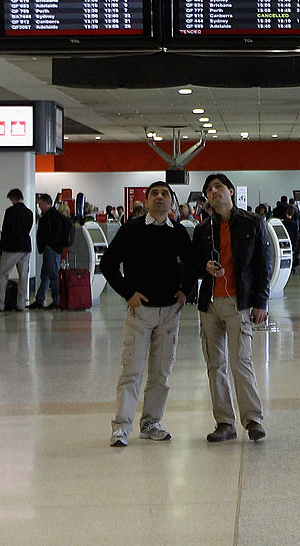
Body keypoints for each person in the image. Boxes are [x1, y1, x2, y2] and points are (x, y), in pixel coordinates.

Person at [100, 181, 196, 447]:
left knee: (161, 372)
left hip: (169, 313)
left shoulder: (177, 231)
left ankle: (151, 422)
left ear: (172, 202)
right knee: (132, 370)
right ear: (146, 199)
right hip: (140, 312)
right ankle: (121, 426)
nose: (160, 198)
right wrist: (127, 292)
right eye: (154, 193)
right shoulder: (131, 230)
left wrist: (185, 291)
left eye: (165, 194)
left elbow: (192, 264)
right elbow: (107, 263)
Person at [193, 173, 273, 443]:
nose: (213, 192)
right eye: (209, 189)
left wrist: (261, 302)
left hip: (239, 302)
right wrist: (204, 267)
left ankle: (253, 419)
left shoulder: (253, 223)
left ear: (230, 190)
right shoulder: (203, 229)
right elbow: (193, 264)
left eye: (218, 187)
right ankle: (224, 422)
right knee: (215, 365)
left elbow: (264, 264)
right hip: (210, 304)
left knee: (241, 362)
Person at [0, 188, 33, 312]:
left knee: (1, 275)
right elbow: (28, 230)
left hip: (12, 248)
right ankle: (21, 305)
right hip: (26, 247)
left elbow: (6, 231)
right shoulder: (29, 212)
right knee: (23, 276)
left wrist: (1, 249)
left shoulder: (10, 212)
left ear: (13, 198)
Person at [28, 194, 71, 309]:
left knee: (53, 275)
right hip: (50, 249)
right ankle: (40, 299)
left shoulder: (53, 216)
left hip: (52, 250)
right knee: (45, 275)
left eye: (41, 204)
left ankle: (56, 300)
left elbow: (55, 233)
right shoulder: (50, 215)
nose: (40, 206)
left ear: (47, 203)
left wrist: (49, 245)